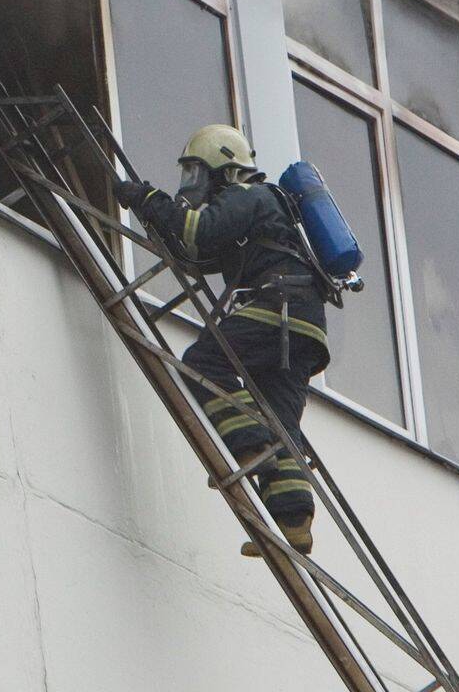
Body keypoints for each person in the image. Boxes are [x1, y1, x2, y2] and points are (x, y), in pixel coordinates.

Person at [114, 124, 330, 556]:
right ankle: (294, 523)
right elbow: (199, 255)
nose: (192, 184)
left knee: (203, 365)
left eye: (198, 173)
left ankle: (251, 446)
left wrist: (147, 198)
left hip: (278, 308)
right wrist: (166, 223)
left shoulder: (246, 195)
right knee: (282, 423)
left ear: (225, 170)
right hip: (304, 325)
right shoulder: (267, 208)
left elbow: (199, 231)